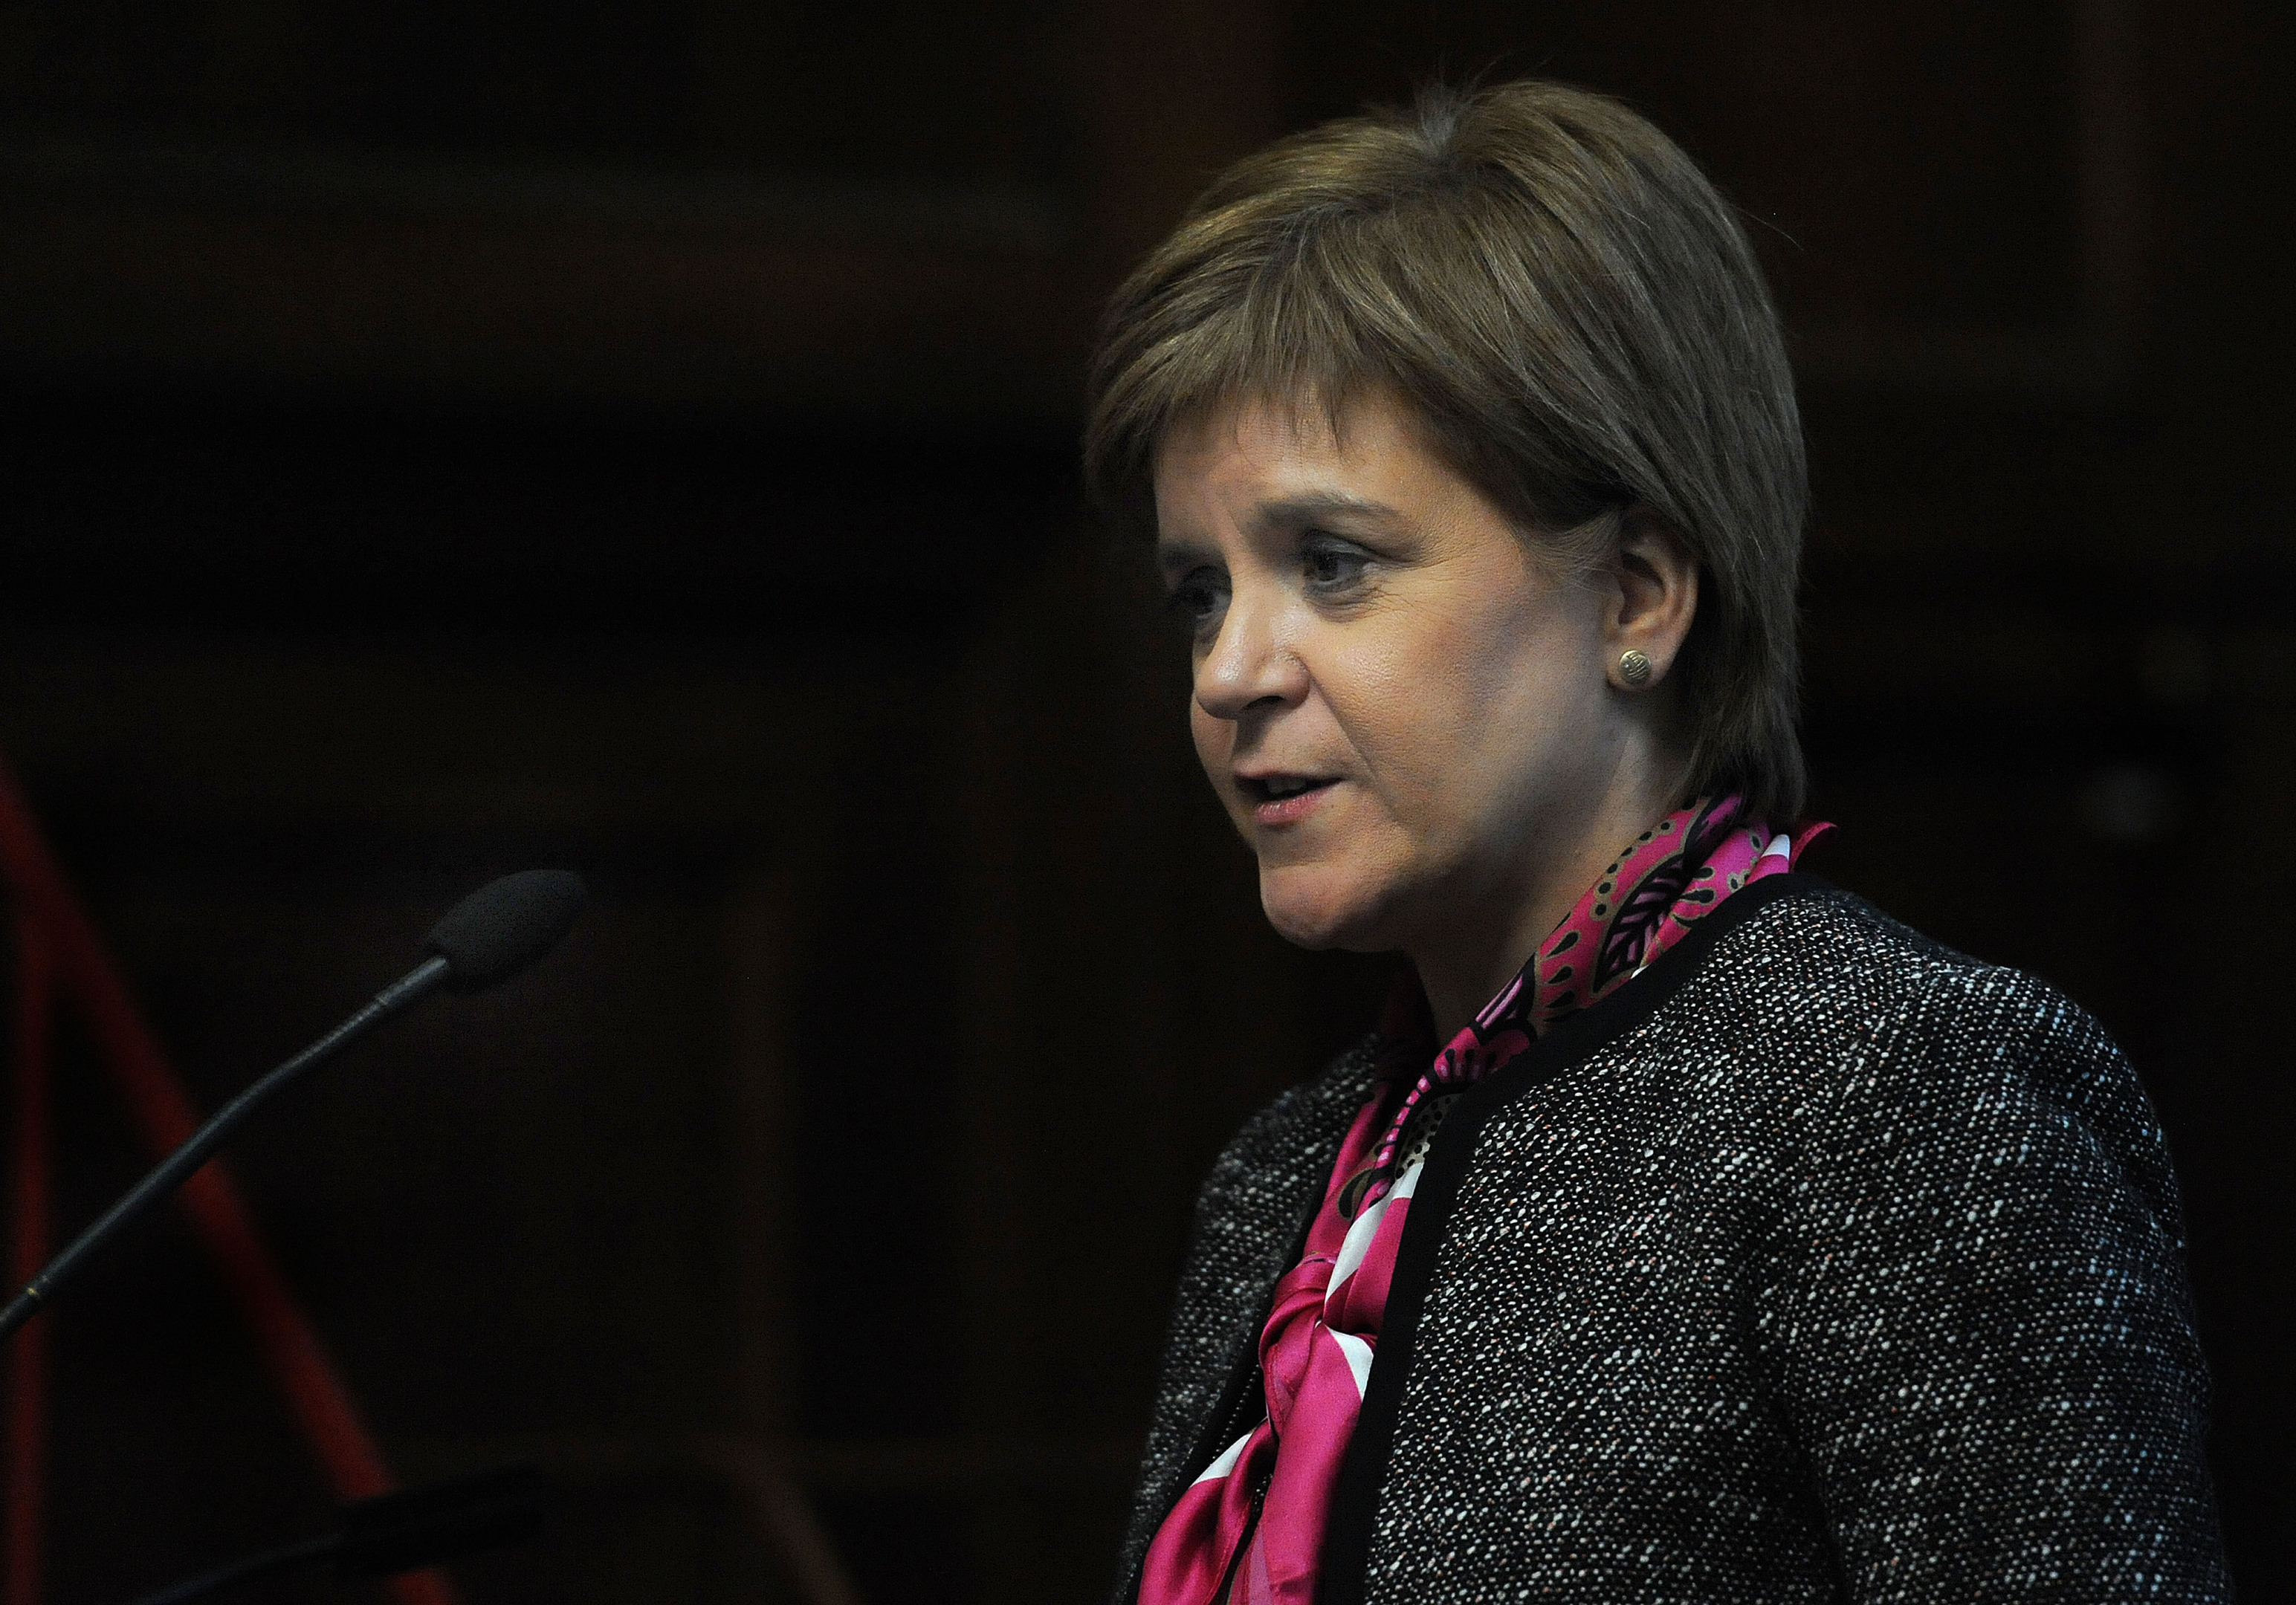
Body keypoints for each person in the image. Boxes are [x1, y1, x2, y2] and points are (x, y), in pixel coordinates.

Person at [1083, 80, 2228, 1605]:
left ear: (1635, 596)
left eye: (1333, 563)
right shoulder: (1280, 1180)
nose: (1231, 671)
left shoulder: (1896, 1098)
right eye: (1200, 592)